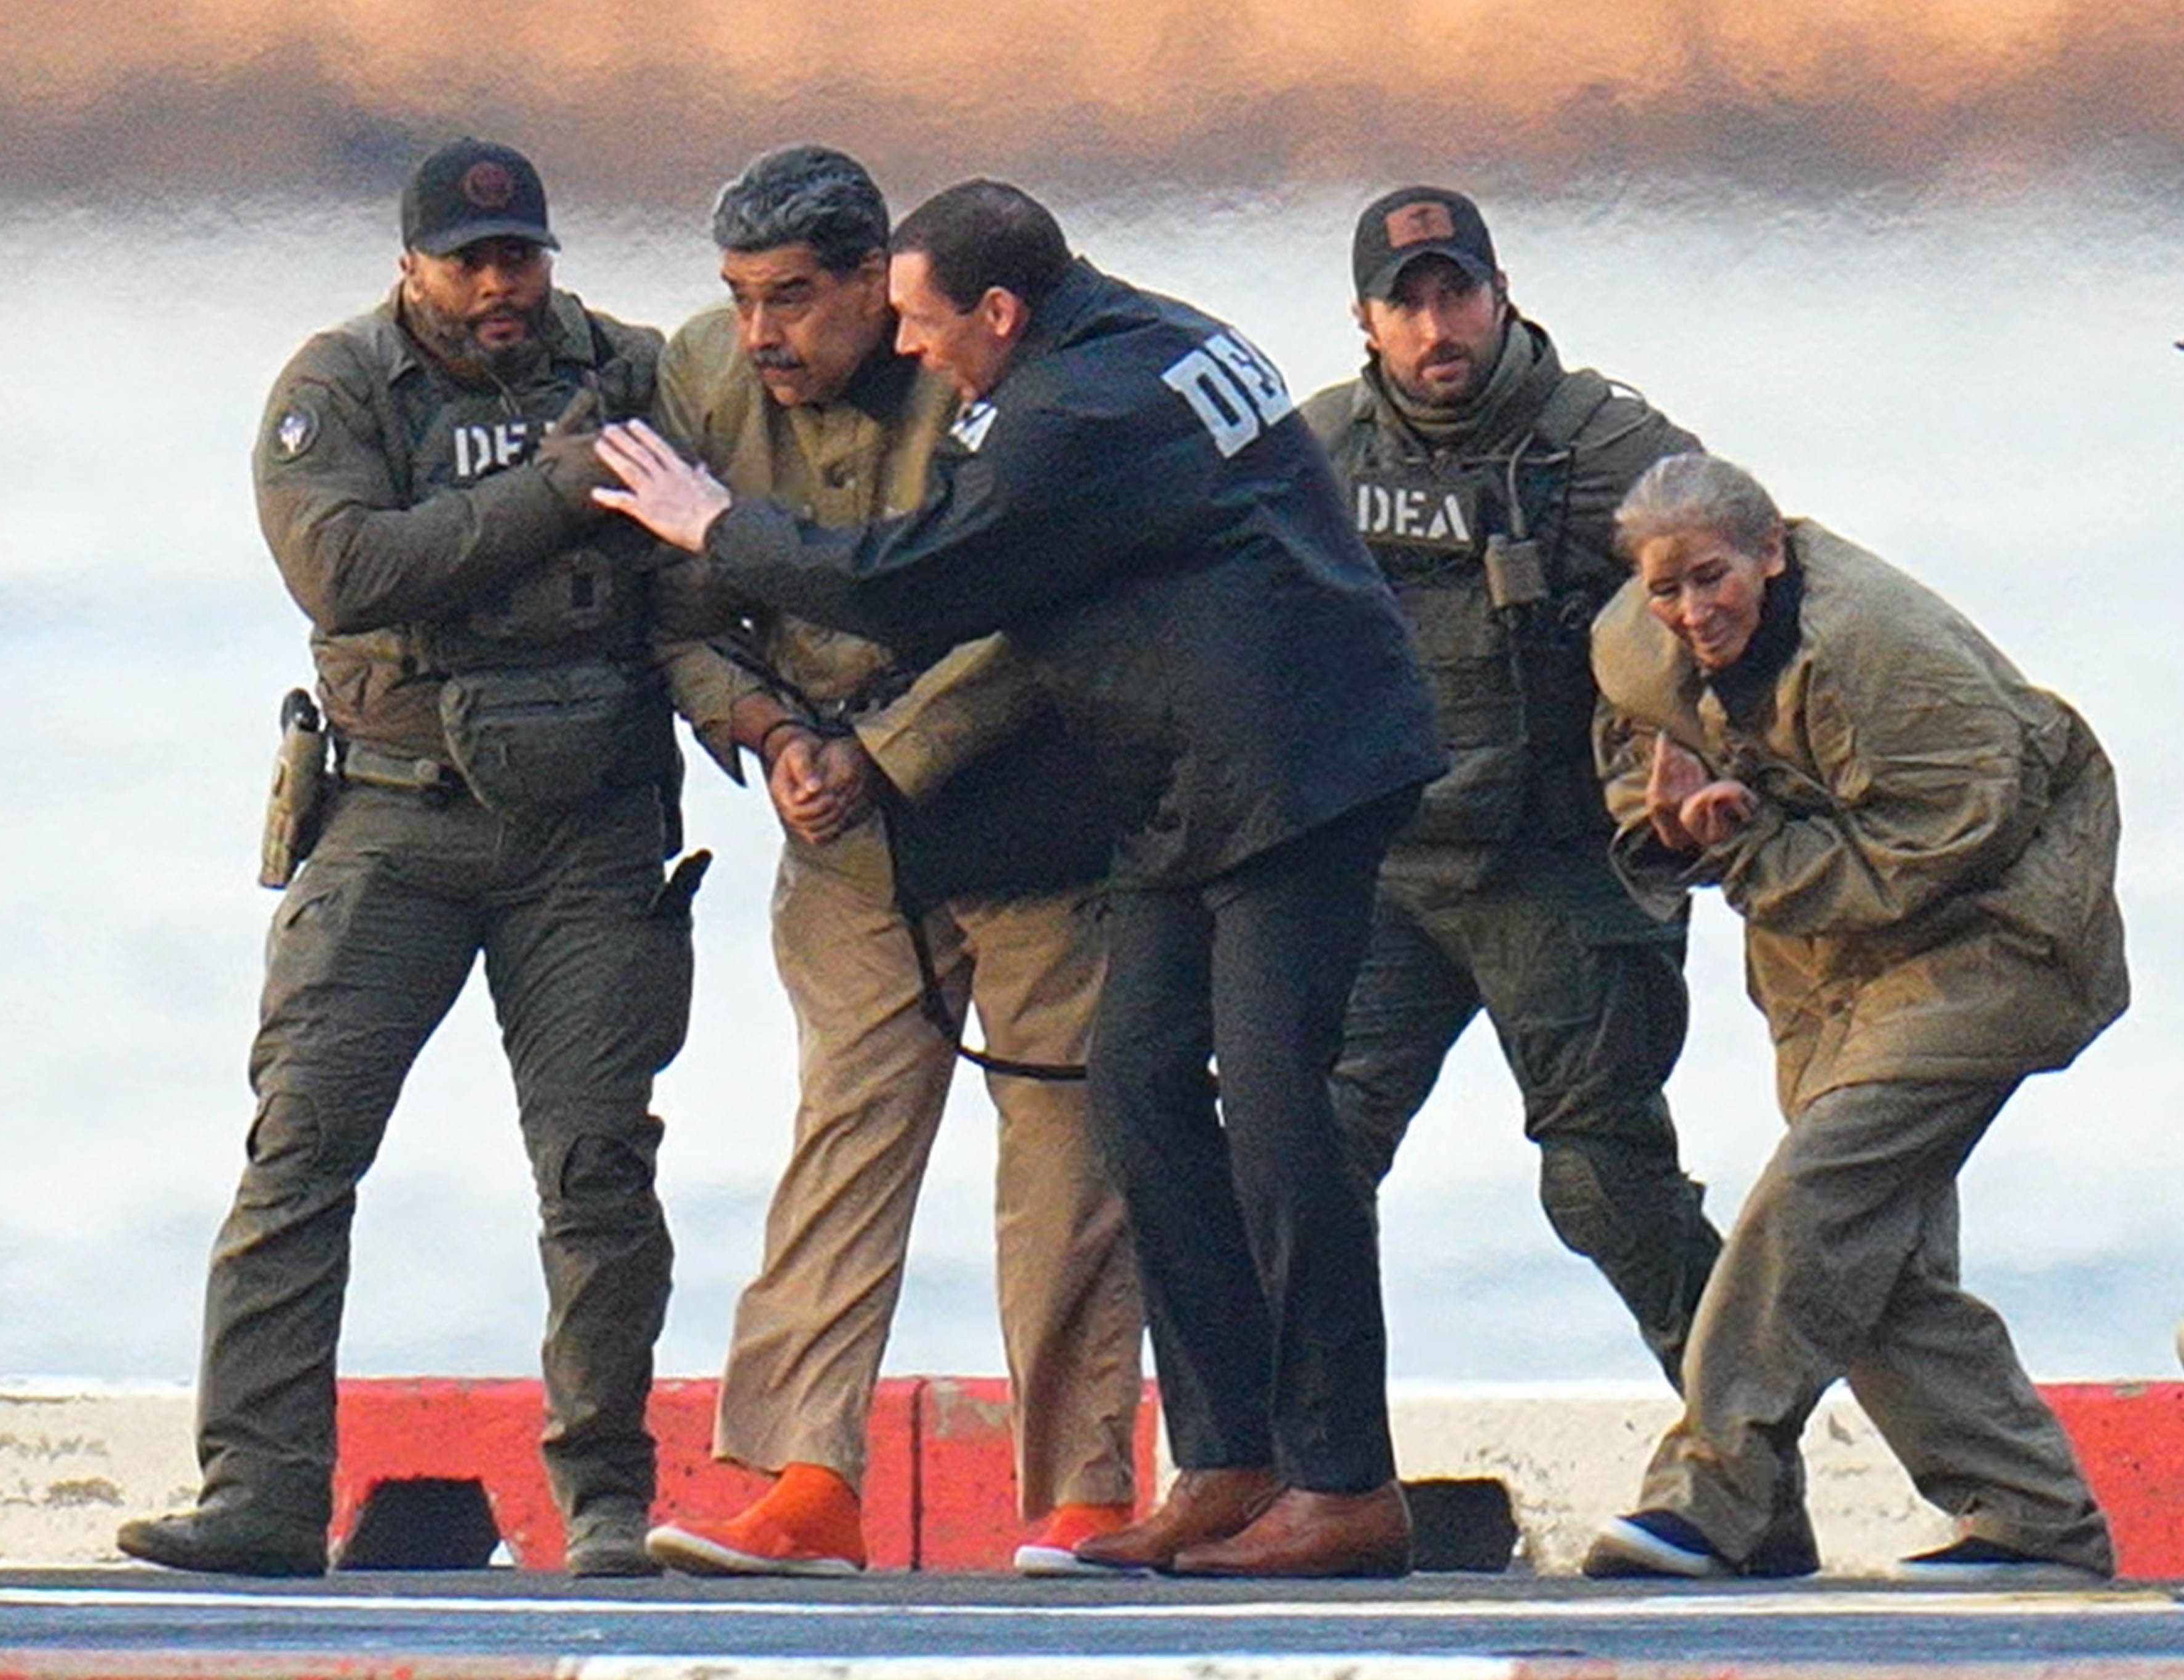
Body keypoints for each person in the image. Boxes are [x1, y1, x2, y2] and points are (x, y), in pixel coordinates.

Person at [592, 179, 1447, 1580]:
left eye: (928, 327)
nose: (912, 353)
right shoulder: (1142, 335)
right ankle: (1229, 1462)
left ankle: (1343, 1483)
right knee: (1137, 1092)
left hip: (1300, 773)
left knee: (1283, 1122)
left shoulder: (1077, 415)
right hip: (1183, 782)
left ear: (1000, 310)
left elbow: (912, 582)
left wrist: (716, 529)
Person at [114, 139, 694, 1581]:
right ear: (409, 266)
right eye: (470, 263)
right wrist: (558, 498)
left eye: (522, 260)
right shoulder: (338, 392)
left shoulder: (634, 373)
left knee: (599, 1168)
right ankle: (259, 1491)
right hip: (394, 821)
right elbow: (349, 572)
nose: (501, 288)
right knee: (301, 1147)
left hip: (591, 829)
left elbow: (703, 570)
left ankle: (606, 1501)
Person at [634, 146, 1145, 1579]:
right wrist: (759, 725)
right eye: (738, 299)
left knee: (1066, 1160)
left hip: (1034, 815)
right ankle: (803, 1482)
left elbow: (1042, 604)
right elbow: (669, 597)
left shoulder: (991, 380)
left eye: (793, 299)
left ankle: (1085, 1495)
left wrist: (890, 749)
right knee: (843, 1138)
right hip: (841, 840)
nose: (761, 335)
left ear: (881, 281)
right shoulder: (701, 378)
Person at [1579, 452, 2124, 1582]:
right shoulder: (1641, 638)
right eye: (1666, 587)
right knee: (1879, 1256)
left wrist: (1746, 841)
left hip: (1995, 933)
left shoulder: (1887, 650)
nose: (1691, 611)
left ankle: (1710, 1488)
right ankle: (2031, 1515)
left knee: (1818, 1197)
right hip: (1819, 956)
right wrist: (1674, 816)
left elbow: (1944, 840)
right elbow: (1634, 740)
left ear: (1771, 551)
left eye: (1713, 578)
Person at [1300, 186, 1721, 1386]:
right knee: (1300, 1157)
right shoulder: (1319, 454)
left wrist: (1691, 751)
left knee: (1603, 1179)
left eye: (1456, 295)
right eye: (1407, 305)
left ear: (1500, 297)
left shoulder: (1607, 451)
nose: (1438, 329)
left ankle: (1747, 1448)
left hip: (1562, 869)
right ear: (1365, 322)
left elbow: (1754, 593)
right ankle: (1317, 1468)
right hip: (1390, 868)